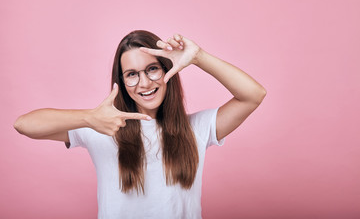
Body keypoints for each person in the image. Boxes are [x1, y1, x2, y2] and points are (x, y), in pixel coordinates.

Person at [14, 30, 266, 219]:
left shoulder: (196, 129)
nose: (144, 83)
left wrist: (198, 57)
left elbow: (253, 95)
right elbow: (24, 124)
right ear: (121, 82)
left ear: (169, 72)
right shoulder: (103, 127)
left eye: (152, 69)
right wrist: (89, 117)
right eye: (132, 74)